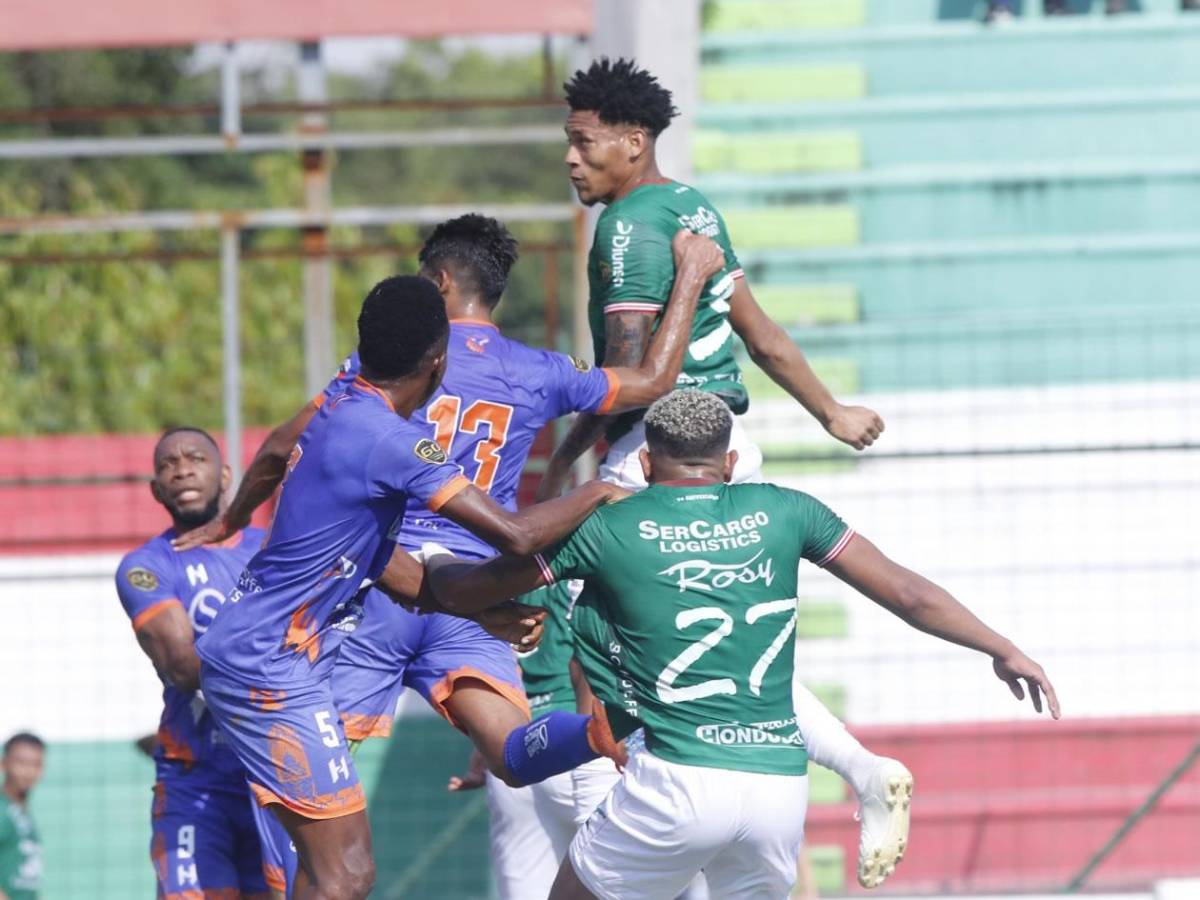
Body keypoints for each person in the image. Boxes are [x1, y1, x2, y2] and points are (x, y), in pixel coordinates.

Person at [212, 215, 724, 897]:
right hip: (442, 596)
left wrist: (233, 518)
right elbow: (650, 383)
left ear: (441, 280)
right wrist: (690, 274)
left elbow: (285, 453)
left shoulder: (359, 383)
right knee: (396, 826)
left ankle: (600, 731)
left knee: (326, 828)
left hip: (392, 597)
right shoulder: (530, 371)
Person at [423, 388, 1061, 900]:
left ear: (645, 465)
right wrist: (999, 646)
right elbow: (906, 593)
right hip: (778, 789)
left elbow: (467, 593)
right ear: (729, 463)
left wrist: (425, 555)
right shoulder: (788, 511)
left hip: (673, 780)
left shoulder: (608, 525)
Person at [541, 56, 910, 889]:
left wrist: (570, 456)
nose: (570, 159)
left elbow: (637, 375)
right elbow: (760, 331)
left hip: (661, 449)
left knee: (564, 595)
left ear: (632, 143)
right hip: (729, 445)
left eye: (583, 142)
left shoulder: (631, 226)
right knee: (733, 640)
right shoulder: (693, 204)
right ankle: (851, 767)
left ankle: (632, 777)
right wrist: (831, 412)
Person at [114, 428, 272, 899]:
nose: (182, 468)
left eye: (195, 458)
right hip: (194, 780)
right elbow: (183, 667)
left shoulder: (274, 551)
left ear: (225, 476)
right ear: (156, 490)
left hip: (273, 775)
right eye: (168, 464)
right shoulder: (147, 565)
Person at [0, 733, 44, 900]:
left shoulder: (21, 811)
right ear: (4, 764)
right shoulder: (2, 809)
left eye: (36, 764)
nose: (29, 771)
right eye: (21, 763)